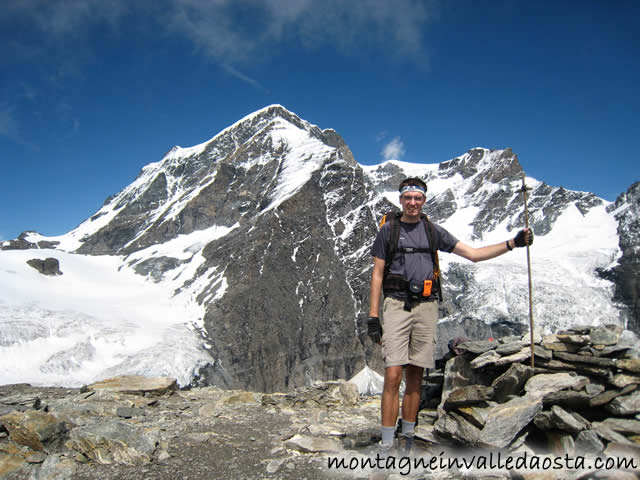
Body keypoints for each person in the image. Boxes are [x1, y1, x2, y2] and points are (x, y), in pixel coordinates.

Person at [367, 177, 532, 452]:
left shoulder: (433, 231)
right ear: (401, 200)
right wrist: (373, 317)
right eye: (408, 197)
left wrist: (513, 243)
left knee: (416, 376)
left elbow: (474, 255)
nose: (412, 203)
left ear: (424, 201)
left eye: (417, 198)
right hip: (396, 305)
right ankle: (386, 443)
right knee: (394, 375)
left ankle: (407, 437)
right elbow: (377, 274)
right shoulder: (389, 230)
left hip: (426, 307)